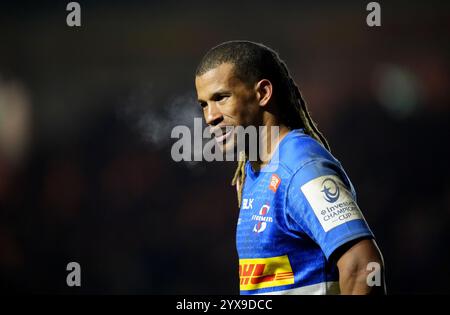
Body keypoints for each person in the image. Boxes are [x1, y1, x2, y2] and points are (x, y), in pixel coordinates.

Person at [194, 41, 385, 295]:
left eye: (221, 98)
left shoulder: (300, 167)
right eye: (204, 104)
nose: (210, 116)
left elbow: (363, 266)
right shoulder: (254, 169)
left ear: (262, 93)